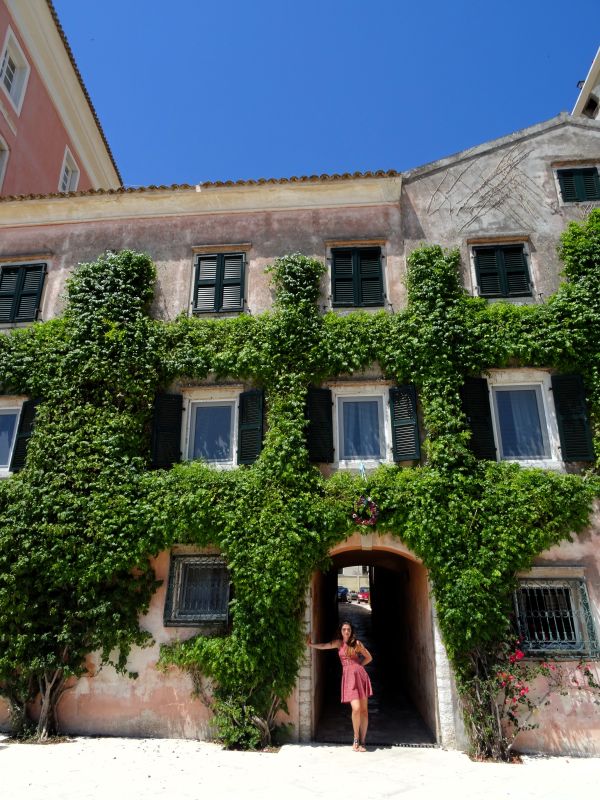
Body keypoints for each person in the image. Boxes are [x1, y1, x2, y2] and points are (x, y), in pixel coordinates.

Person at [307, 620, 373, 751]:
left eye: (348, 629)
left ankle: (363, 741)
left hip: (361, 677)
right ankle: (356, 738)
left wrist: (359, 666)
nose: (346, 631)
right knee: (356, 708)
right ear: (341, 631)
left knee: (364, 711)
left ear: (351, 631)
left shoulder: (357, 644)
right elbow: (325, 645)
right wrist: (311, 645)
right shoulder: (339, 643)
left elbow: (369, 657)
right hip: (349, 679)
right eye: (344, 629)